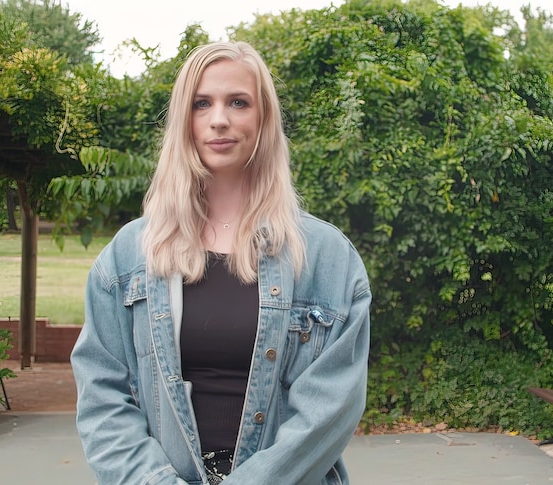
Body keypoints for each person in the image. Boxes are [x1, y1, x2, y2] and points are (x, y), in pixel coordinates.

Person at [71, 41, 371, 485]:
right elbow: (103, 396)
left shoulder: (328, 257)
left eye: (238, 102)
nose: (219, 119)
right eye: (201, 104)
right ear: (183, 120)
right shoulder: (128, 255)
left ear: (264, 118)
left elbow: (330, 408)